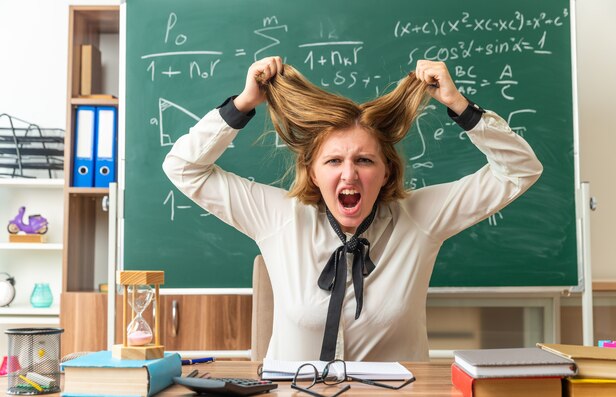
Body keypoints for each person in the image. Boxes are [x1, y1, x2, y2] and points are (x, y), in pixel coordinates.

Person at [163, 56, 543, 362]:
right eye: (333, 162)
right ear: (312, 172)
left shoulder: (420, 218)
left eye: (364, 160)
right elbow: (182, 168)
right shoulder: (279, 216)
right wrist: (243, 104)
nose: (349, 175)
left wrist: (460, 107)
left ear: (386, 171)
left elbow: (521, 170)